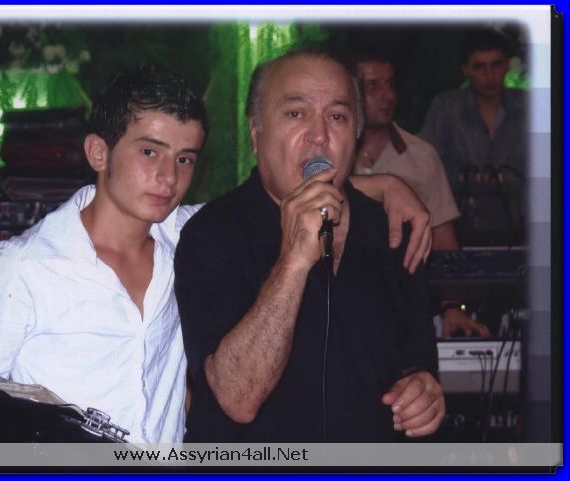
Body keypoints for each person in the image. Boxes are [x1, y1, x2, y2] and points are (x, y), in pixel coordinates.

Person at [0, 64, 433, 444]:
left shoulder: (183, 235)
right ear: (99, 153)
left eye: (184, 159)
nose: (168, 176)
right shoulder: (21, 269)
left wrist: (385, 185)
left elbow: (278, 195)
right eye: (149, 152)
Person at [175, 49, 445, 443]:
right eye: (296, 113)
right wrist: (294, 260)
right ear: (255, 132)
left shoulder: (394, 230)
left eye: (337, 117)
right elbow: (237, 398)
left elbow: (417, 364)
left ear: (355, 135)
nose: (319, 135)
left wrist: (424, 393)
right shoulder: (213, 234)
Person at [351, 49, 490, 338]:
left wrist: (453, 306)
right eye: (373, 86)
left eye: (391, 84)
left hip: (406, 310)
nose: (387, 95)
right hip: (343, 307)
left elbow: (444, 240)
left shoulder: (422, 155)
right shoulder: (329, 154)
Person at [420, 28, 527, 194]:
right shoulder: (446, 108)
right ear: (465, 70)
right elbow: (426, 166)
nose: (490, 75)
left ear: (507, 65)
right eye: (479, 67)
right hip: (460, 207)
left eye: (496, 65)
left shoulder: (528, 106)